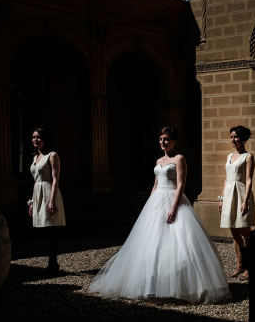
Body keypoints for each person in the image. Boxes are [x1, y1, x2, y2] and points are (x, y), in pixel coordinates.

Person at [89, 127, 231, 304]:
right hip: (157, 201)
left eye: (166, 139)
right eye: (161, 139)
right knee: (150, 244)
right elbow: (155, 185)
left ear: (174, 141)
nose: (163, 142)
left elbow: (180, 185)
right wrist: (150, 205)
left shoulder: (179, 159)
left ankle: (182, 284)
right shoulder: (158, 160)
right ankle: (151, 283)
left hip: (173, 199)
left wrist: (173, 207)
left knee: (178, 244)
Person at [219, 125, 255, 281]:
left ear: (243, 139)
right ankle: (239, 265)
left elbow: (248, 180)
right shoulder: (229, 156)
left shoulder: (248, 157)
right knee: (234, 231)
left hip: (241, 194)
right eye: (231, 136)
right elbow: (227, 178)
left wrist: (245, 201)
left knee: (245, 232)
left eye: (236, 137)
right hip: (229, 195)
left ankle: (248, 267)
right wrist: (221, 199)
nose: (233, 139)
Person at [28, 127, 66, 272]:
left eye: (38, 137)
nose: (35, 140)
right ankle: (52, 262)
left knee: (52, 229)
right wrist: (32, 202)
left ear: (45, 139)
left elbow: (55, 179)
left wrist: (52, 200)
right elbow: (35, 182)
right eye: (33, 137)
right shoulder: (34, 157)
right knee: (44, 230)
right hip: (38, 194)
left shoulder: (52, 155)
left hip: (49, 192)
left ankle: (53, 263)